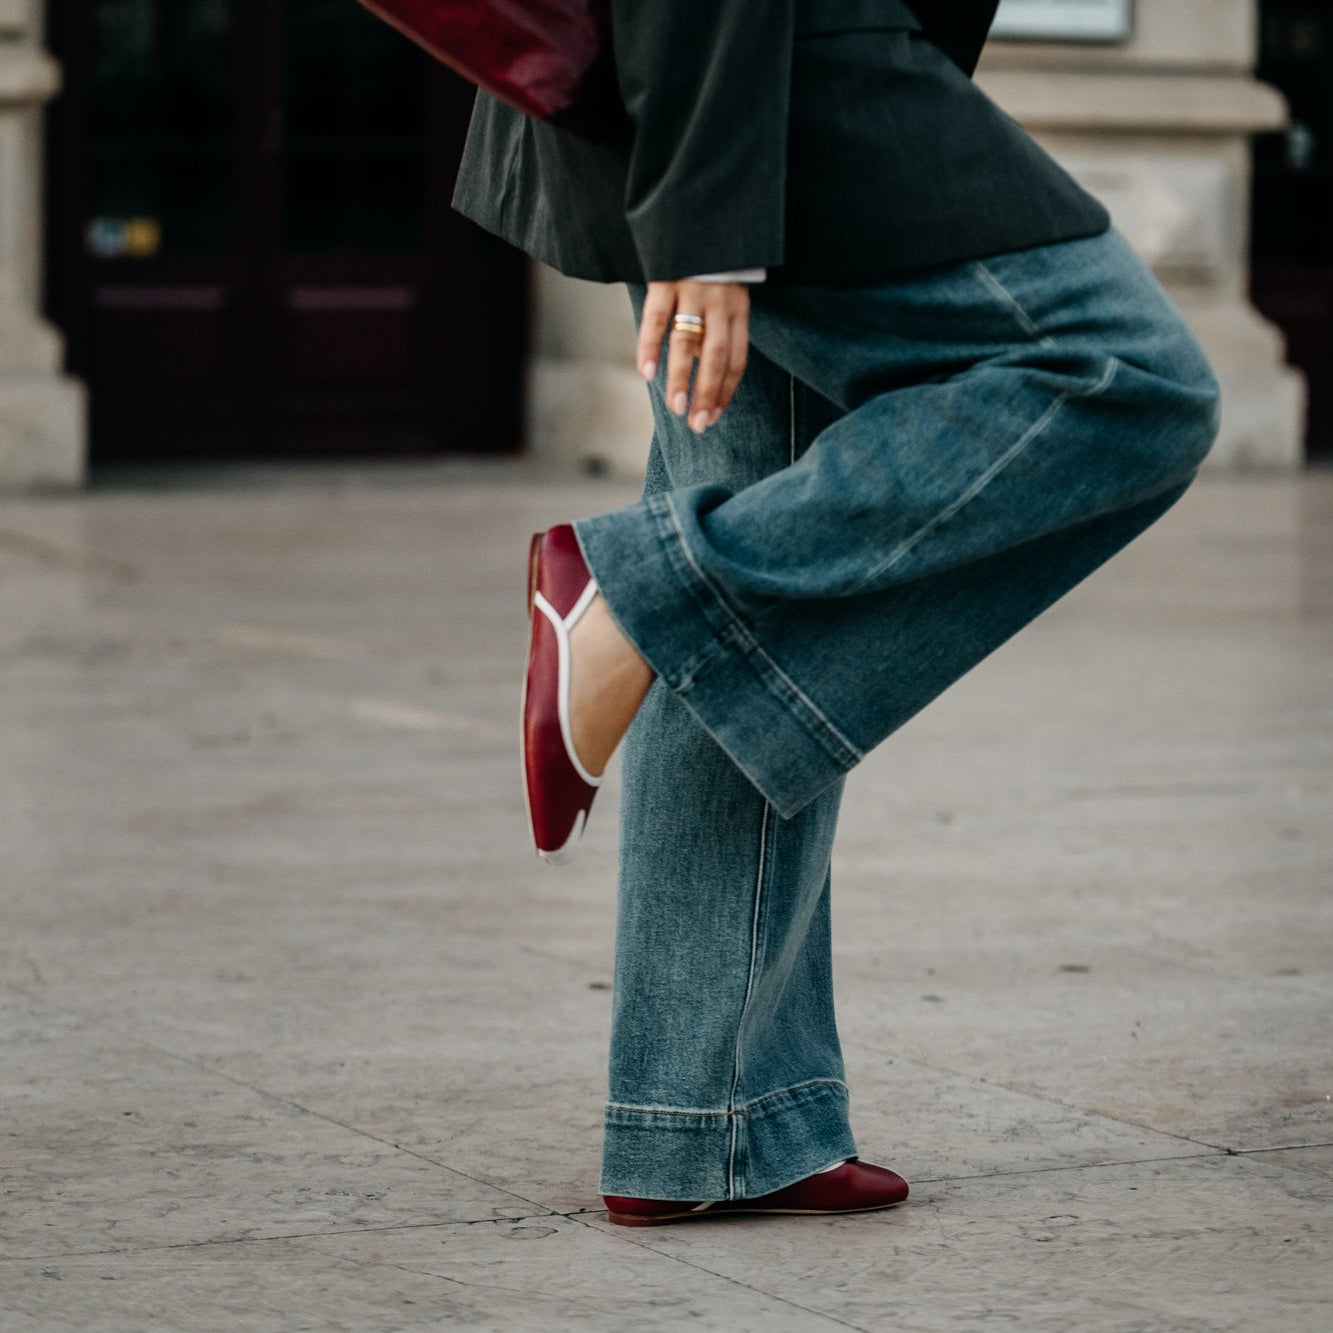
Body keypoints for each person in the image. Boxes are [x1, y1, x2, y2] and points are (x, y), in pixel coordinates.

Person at [453, 0, 1220, 1226]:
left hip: (728, 97)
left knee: (748, 567)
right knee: (1124, 377)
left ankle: (704, 1124)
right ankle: (634, 596)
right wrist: (710, 223)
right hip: (772, 93)